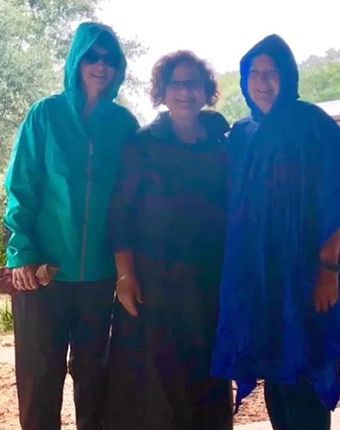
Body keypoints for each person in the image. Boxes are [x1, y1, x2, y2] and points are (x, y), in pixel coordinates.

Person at [210, 34, 340, 430]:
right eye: (254, 72)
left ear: (287, 76)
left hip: (306, 275)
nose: (263, 81)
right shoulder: (243, 135)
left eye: (272, 72)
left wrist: (328, 269)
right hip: (260, 278)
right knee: (274, 368)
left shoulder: (312, 124)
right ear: (244, 79)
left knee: (305, 369)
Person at [3, 22, 138, 430]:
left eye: (110, 58)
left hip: (99, 279)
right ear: (77, 60)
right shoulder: (45, 115)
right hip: (42, 276)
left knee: (95, 381)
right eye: (92, 56)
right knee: (40, 379)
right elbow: (21, 189)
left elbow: (132, 202)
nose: (101, 65)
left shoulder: (124, 125)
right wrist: (22, 255)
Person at [103, 51, 233, 429]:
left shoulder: (224, 144)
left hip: (210, 283)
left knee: (209, 378)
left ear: (206, 90)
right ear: (162, 91)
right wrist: (124, 277)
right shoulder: (141, 145)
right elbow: (121, 215)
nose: (185, 91)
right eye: (176, 83)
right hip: (154, 285)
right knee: (158, 387)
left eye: (193, 82)